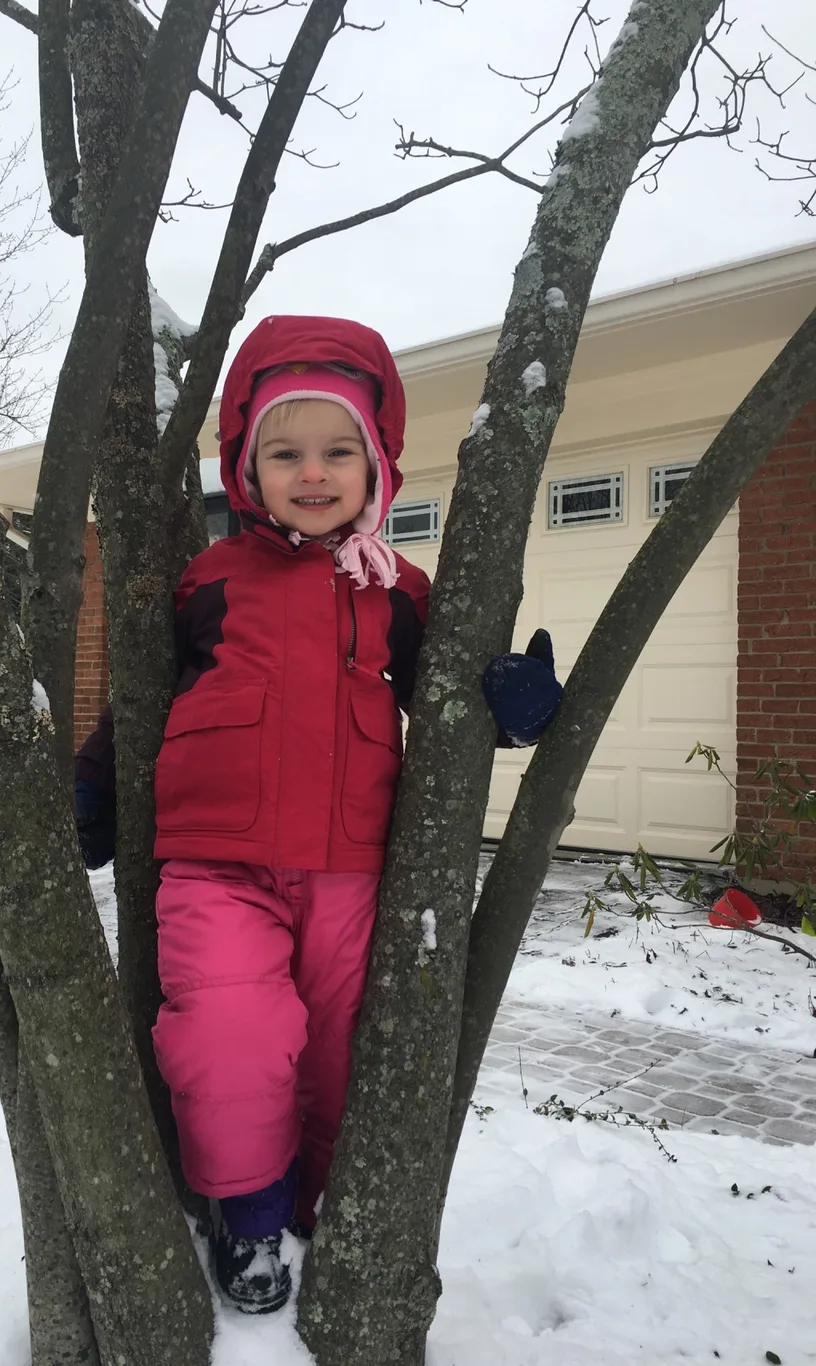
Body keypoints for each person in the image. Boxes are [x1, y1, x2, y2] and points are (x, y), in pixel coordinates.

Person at [73, 315, 563, 1315]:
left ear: (375, 460)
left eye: (338, 450)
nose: (311, 472)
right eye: (284, 451)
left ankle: (317, 1201)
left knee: (343, 1049)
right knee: (228, 1031)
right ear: (244, 466)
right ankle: (248, 1218)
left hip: (350, 869)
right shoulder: (206, 583)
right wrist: (93, 786)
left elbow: (447, 700)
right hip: (214, 863)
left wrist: (514, 703)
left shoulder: (397, 589)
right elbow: (145, 702)